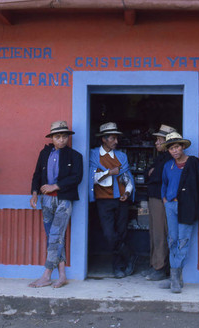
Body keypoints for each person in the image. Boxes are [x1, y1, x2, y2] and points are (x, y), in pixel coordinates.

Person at [29, 120, 83, 288]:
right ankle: (62, 275)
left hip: (64, 199)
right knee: (55, 237)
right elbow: (37, 174)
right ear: (52, 137)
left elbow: (76, 177)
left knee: (55, 236)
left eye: (64, 136)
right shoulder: (44, 154)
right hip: (46, 200)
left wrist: (55, 186)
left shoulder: (75, 156)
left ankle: (46, 274)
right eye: (58, 137)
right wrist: (34, 193)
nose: (61, 140)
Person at [160, 132, 199, 293]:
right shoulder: (168, 166)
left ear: (182, 147)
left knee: (183, 240)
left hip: (187, 206)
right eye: (171, 148)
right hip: (171, 206)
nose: (174, 151)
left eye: (177, 147)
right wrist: (165, 200)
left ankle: (175, 277)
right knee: (172, 239)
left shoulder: (193, 163)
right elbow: (164, 184)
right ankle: (175, 276)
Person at [89, 122, 137, 278]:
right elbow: (92, 179)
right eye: (113, 138)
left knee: (121, 233)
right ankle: (129, 255)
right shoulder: (94, 155)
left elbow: (126, 177)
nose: (116, 141)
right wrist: (109, 172)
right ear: (104, 139)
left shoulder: (121, 156)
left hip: (121, 200)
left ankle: (118, 267)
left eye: (116, 138)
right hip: (103, 200)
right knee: (109, 234)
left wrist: (128, 192)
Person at [142, 124, 176, 281]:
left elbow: (154, 177)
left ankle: (160, 268)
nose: (156, 143)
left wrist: (151, 173)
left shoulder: (169, 159)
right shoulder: (160, 158)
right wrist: (150, 173)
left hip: (161, 199)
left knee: (160, 233)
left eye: (159, 140)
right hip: (154, 197)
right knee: (154, 233)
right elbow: (146, 174)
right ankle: (154, 264)